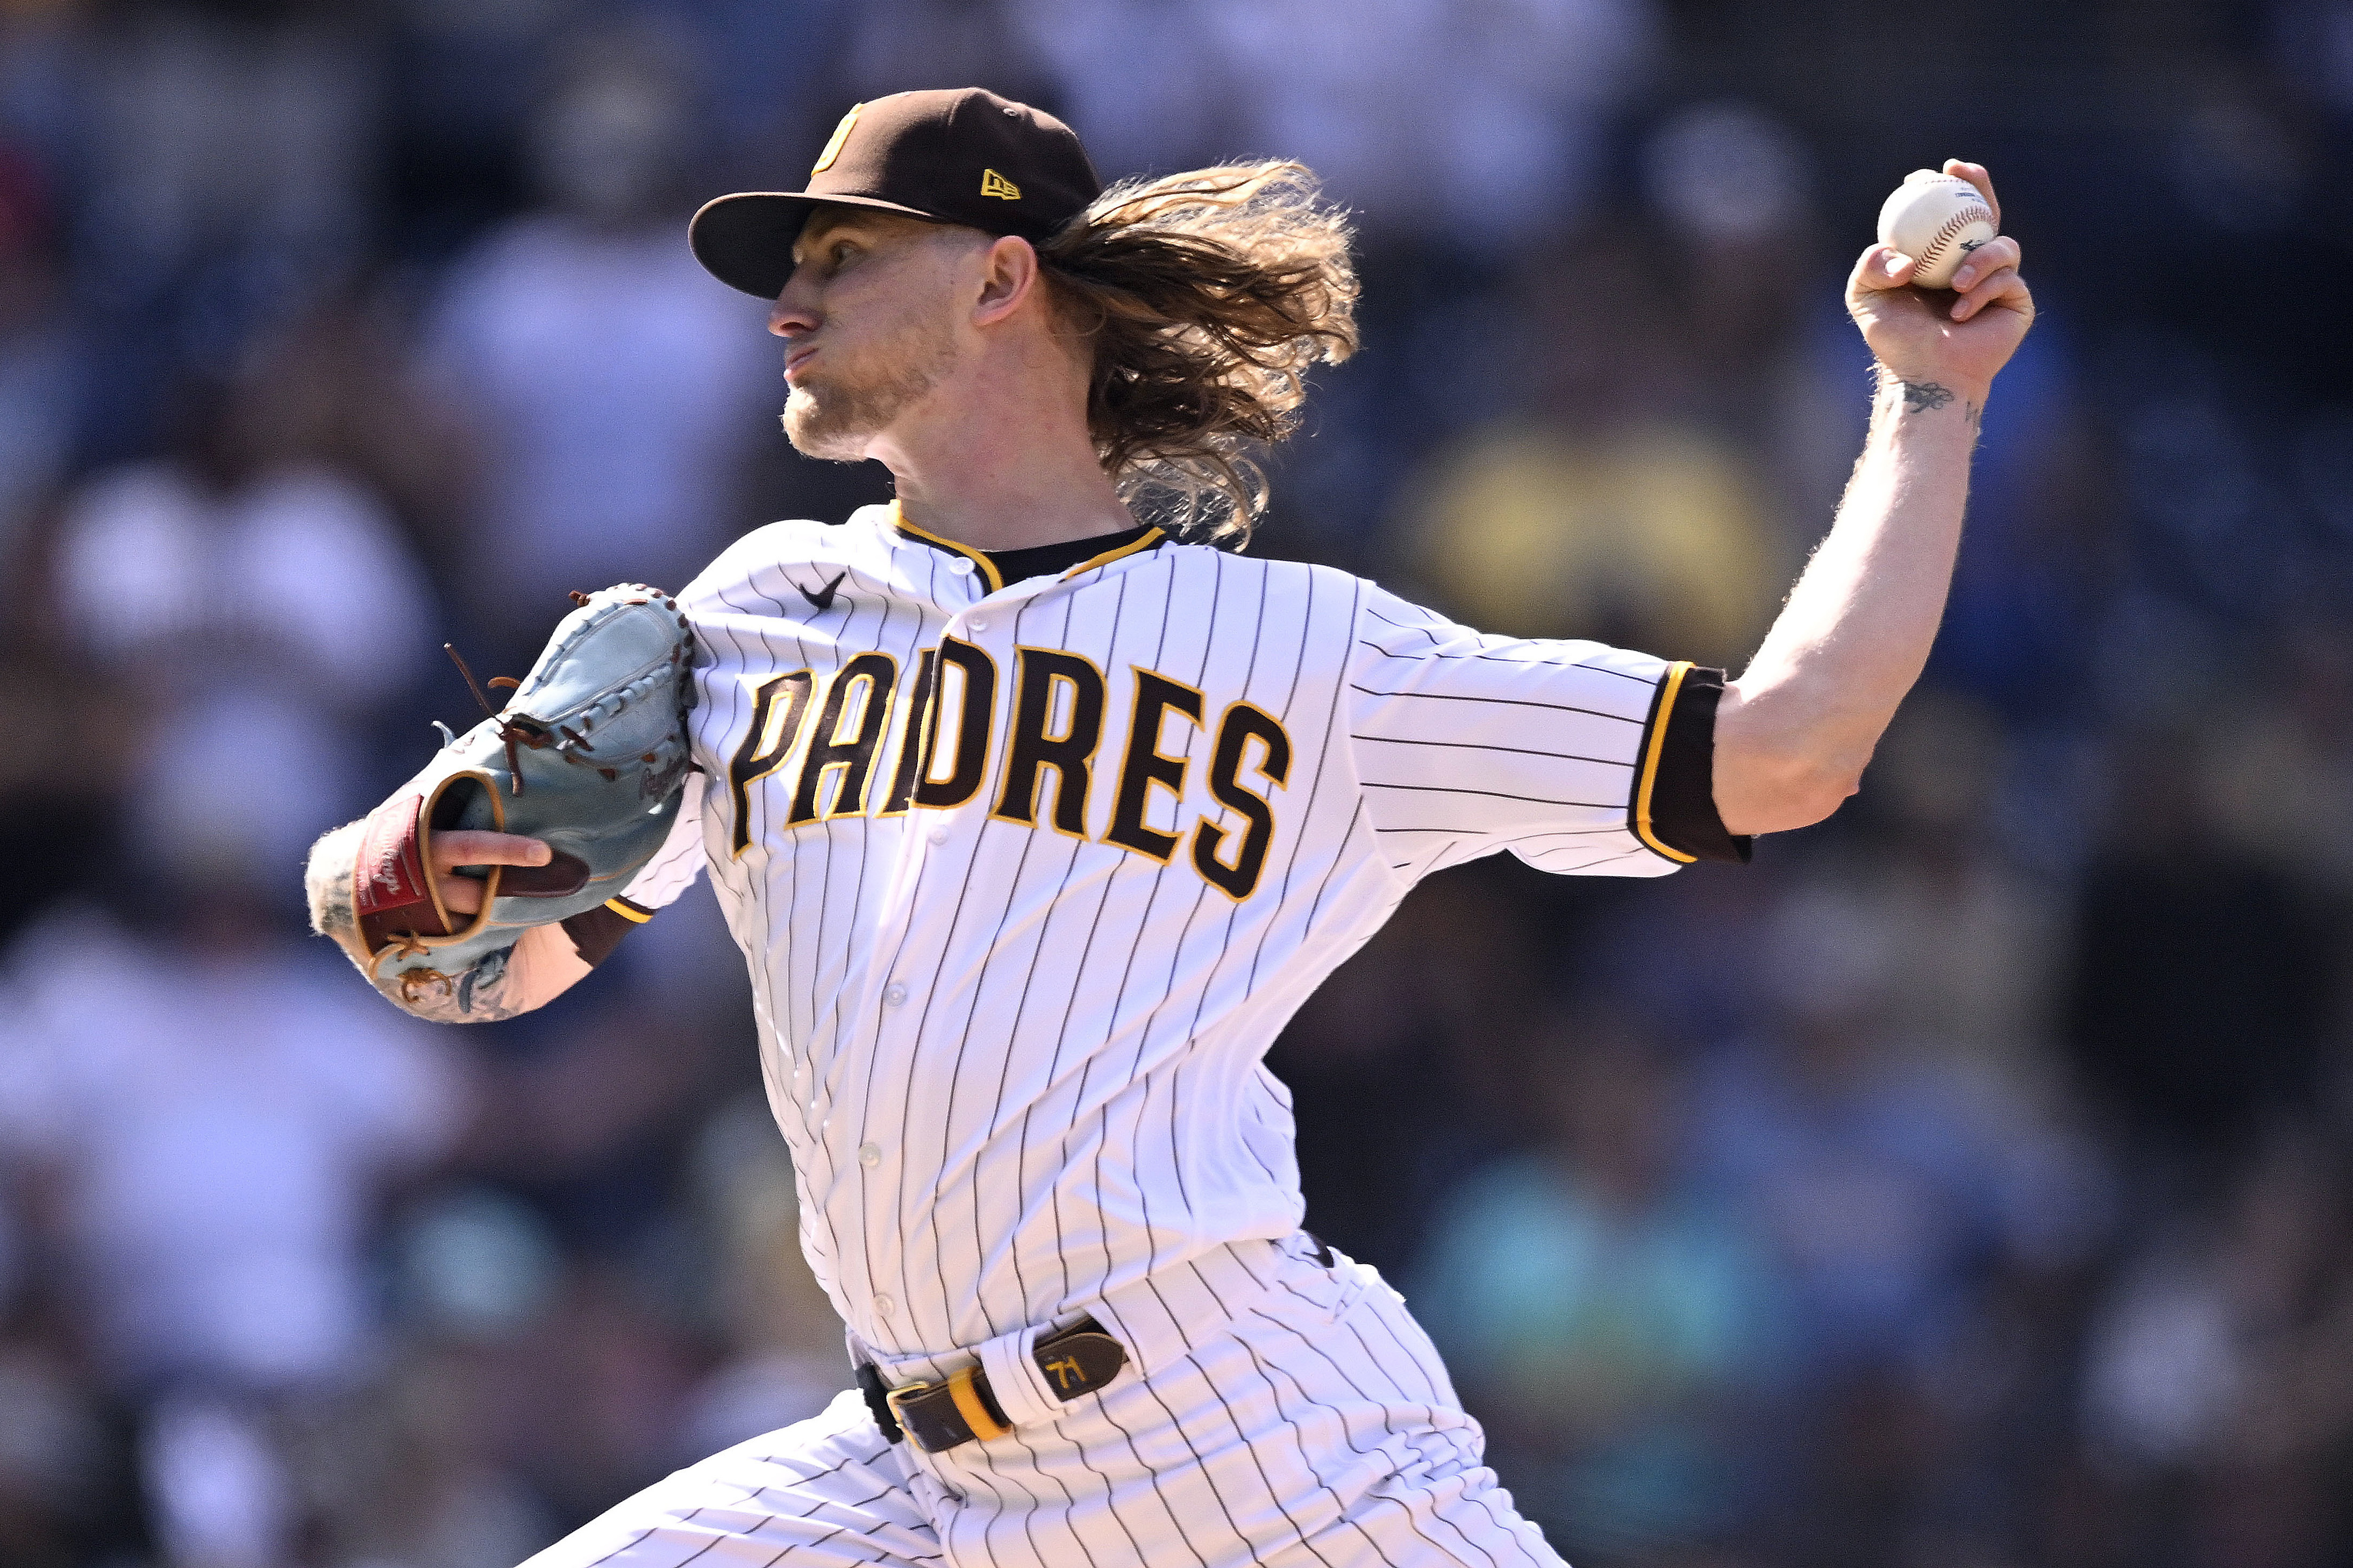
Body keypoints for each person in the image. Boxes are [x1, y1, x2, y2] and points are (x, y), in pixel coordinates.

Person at [308, 88, 2031, 1568]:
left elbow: (1789, 753)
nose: (789, 300)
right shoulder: (757, 612)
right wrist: (402, 880)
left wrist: (1930, 402)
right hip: (913, 1469)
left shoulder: (1309, 656)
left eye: (841, 254)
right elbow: (490, 965)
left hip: (1253, 1437)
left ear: (1001, 279)